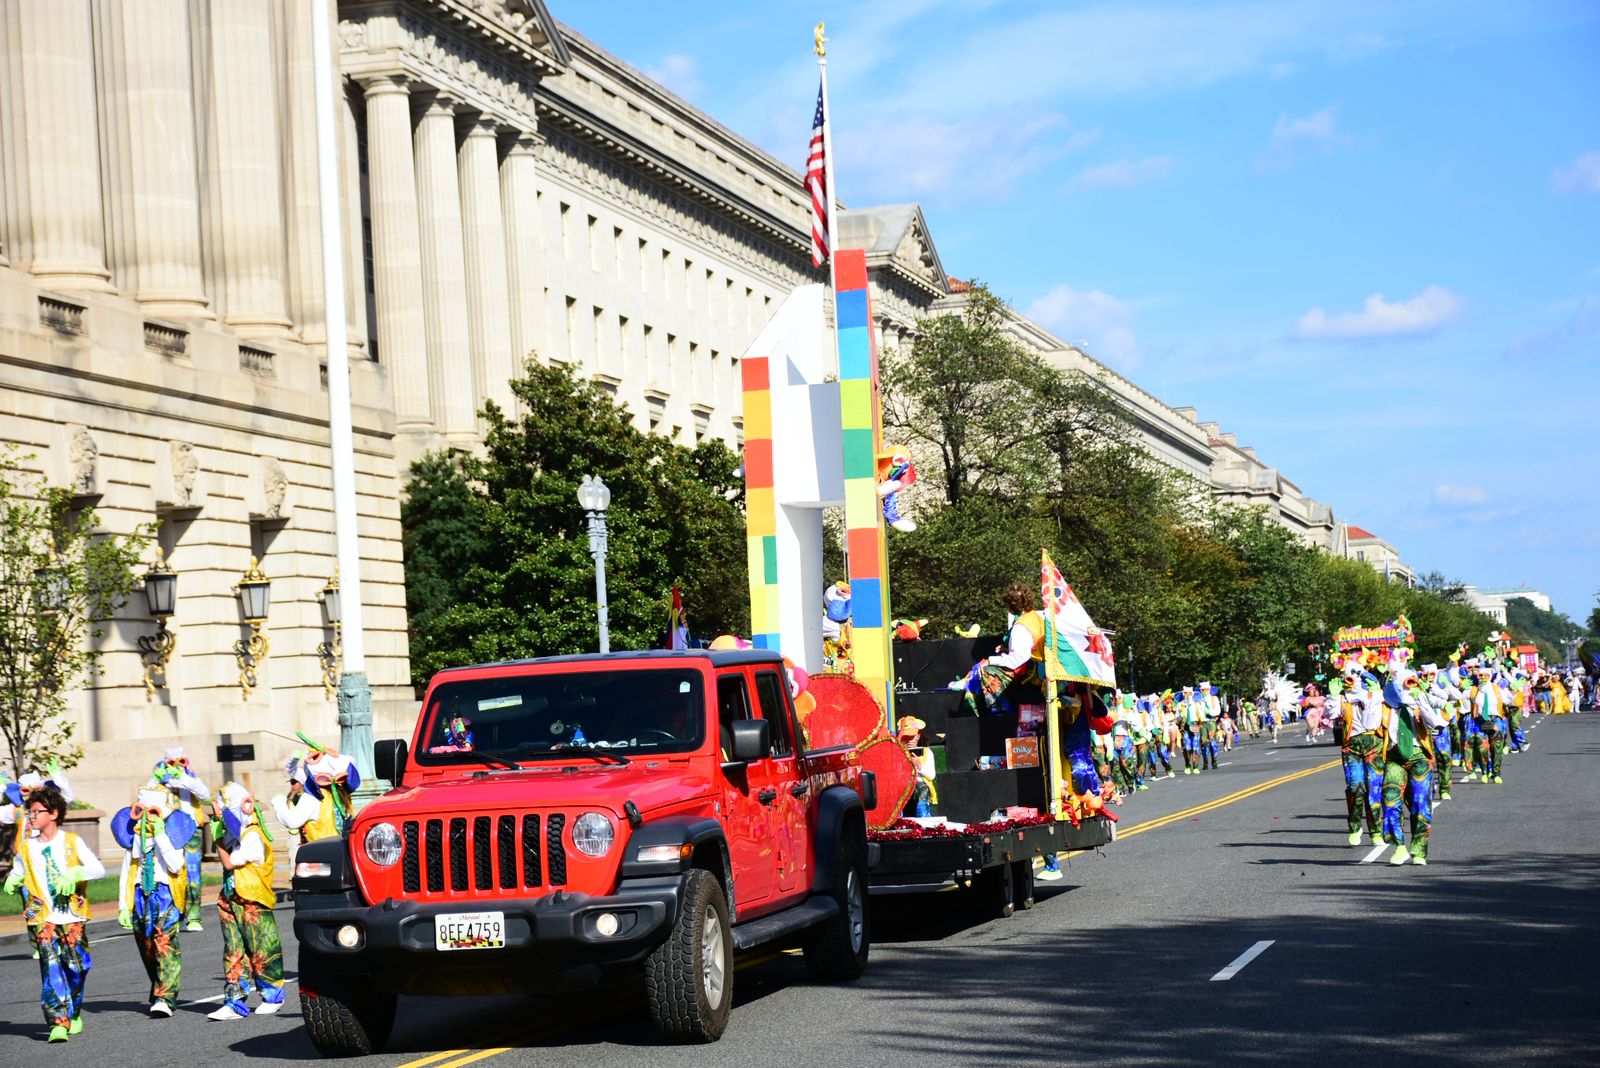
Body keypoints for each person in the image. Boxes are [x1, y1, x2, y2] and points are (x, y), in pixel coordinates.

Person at [4, 785, 103, 1041]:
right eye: (30, 811)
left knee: (78, 968)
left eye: (37, 811)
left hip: (72, 916)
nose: (32, 816)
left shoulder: (71, 842)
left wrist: (76, 873)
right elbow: (19, 868)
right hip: (43, 918)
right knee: (50, 969)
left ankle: (74, 1011)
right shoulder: (27, 847)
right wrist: (14, 879)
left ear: (54, 813)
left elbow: (97, 869)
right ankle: (57, 1022)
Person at [206, 782, 286, 1021]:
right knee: (233, 951)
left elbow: (229, 862)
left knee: (261, 949)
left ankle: (273, 996)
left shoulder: (253, 836)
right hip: (230, 897)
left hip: (253, 900)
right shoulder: (237, 835)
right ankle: (235, 1002)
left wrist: (218, 837)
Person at [115, 784, 192, 1016]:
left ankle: (165, 998)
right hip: (140, 893)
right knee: (147, 947)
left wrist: (160, 834)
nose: (147, 816)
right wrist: (123, 906)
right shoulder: (135, 837)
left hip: (165, 893)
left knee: (165, 944)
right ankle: (158, 985)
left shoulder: (171, 834)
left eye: (153, 811)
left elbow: (175, 865)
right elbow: (127, 870)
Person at [1382, 671, 1447, 865]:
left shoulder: (1420, 702)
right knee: (1390, 800)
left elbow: (1433, 723)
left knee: (1420, 805)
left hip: (1419, 755)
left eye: (1409, 682)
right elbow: (1369, 723)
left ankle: (1419, 851)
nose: (1406, 686)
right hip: (1395, 756)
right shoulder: (1386, 706)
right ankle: (1399, 848)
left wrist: (1421, 700)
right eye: (1402, 683)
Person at [953, 584, 1044, 716]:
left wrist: (990, 661)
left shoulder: (1021, 626)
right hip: (1035, 665)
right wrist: (1007, 648)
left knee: (985, 672)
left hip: (1029, 672)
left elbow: (1017, 660)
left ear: (1011, 605)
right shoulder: (1034, 617)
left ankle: (1000, 714)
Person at [152, 748, 211, 932]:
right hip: (170, 832)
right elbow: (146, 797)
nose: (176, 765)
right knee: (173, 873)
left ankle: (194, 916)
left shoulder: (190, 780)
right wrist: (156, 779)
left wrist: (183, 777)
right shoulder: (160, 782)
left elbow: (205, 794)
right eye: (171, 762)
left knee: (193, 875)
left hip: (191, 832)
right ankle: (175, 913)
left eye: (180, 761)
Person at [1341, 675, 1384, 847]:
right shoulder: (1342, 698)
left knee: (1374, 789)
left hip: (1373, 743)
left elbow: (1372, 723)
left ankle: (1376, 832)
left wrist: (1372, 698)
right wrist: (1332, 695)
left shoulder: (1377, 696)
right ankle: (1355, 826)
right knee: (1355, 787)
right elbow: (1330, 714)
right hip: (1351, 746)